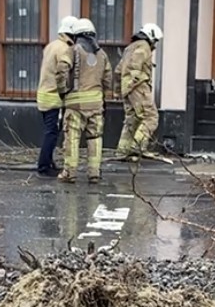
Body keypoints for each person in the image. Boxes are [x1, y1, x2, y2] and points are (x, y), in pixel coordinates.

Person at [59, 18, 113, 184]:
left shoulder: (72, 51)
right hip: (96, 105)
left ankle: (70, 173)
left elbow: (61, 70)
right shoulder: (102, 54)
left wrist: (63, 91)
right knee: (95, 138)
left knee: (72, 139)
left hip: (75, 104)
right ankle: (94, 173)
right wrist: (103, 96)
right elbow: (108, 79)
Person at [36, 15, 79, 177]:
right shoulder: (64, 49)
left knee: (50, 132)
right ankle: (43, 167)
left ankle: (49, 162)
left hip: (44, 96)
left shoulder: (51, 46)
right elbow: (63, 73)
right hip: (55, 97)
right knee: (52, 133)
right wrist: (66, 92)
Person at [115, 23, 162, 161]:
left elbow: (118, 70)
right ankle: (137, 147)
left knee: (132, 119)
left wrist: (120, 90)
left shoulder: (130, 47)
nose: (155, 45)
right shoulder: (143, 46)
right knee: (151, 117)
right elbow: (134, 66)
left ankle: (122, 150)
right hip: (138, 87)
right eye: (155, 41)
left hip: (127, 88)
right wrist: (135, 82)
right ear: (151, 36)